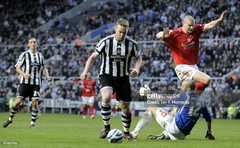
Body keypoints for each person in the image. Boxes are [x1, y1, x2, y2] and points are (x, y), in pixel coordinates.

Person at [80, 18, 142, 141]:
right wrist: (85, 71)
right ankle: (106, 127)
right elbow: (93, 57)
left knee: (126, 108)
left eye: (124, 32)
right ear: (115, 29)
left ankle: (126, 132)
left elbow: (138, 58)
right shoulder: (106, 42)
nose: (122, 34)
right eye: (120, 31)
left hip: (123, 77)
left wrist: (136, 69)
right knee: (106, 97)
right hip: (106, 75)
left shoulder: (132, 44)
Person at [156, 10, 228, 95]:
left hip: (193, 66)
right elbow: (158, 35)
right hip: (182, 67)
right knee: (207, 79)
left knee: (197, 87)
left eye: (192, 26)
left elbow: (209, 26)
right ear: (183, 24)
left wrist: (219, 20)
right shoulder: (175, 34)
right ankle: (193, 100)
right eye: (189, 26)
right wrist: (163, 35)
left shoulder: (196, 30)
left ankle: (189, 101)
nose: (191, 28)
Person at [131, 79, 215, 140]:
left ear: (188, 89)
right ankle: (165, 135)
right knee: (172, 121)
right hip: (182, 136)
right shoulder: (202, 101)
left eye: (182, 86)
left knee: (151, 108)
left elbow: (164, 99)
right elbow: (208, 118)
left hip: (175, 128)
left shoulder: (184, 96)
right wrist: (209, 132)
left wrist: (149, 94)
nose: (180, 87)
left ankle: (135, 132)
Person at [2, 38, 51, 129]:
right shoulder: (24, 55)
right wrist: (24, 74)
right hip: (25, 82)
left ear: (37, 44)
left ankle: (32, 123)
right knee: (18, 102)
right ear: (28, 44)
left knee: (35, 102)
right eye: (31, 42)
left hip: (36, 82)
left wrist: (47, 76)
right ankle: (10, 119)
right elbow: (17, 67)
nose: (33, 44)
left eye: (35, 42)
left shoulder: (40, 56)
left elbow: (44, 68)